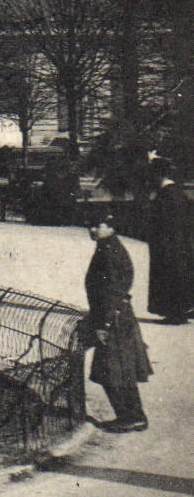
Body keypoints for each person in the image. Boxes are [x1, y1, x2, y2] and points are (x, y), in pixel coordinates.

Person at [83, 214, 152, 431]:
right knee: (118, 370)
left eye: (97, 225)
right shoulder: (107, 247)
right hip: (116, 315)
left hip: (114, 318)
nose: (92, 230)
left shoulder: (109, 251)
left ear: (111, 227)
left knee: (114, 370)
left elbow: (112, 290)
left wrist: (103, 325)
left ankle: (132, 417)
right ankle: (131, 416)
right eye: (90, 226)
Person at [144, 158, 193, 325]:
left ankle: (174, 314)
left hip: (167, 244)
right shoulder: (179, 193)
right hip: (181, 243)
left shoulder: (165, 196)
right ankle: (180, 312)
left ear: (158, 175)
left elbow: (163, 224)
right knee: (179, 276)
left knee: (169, 277)